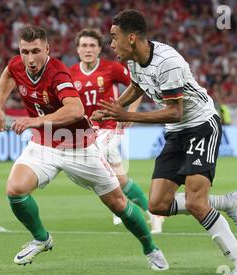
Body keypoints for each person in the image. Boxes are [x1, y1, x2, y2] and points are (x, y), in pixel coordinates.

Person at [96, 10, 237, 275]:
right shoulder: (134, 60)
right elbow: (138, 86)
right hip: (176, 132)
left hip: (201, 124)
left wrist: (126, 116)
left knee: (196, 202)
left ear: (132, 37)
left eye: (114, 37)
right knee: (157, 204)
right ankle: (227, 202)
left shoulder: (168, 62)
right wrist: (115, 107)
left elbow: (174, 111)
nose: (111, 44)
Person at [0, 25, 168, 270]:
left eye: (36, 51)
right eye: (25, 51)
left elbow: (76, 110)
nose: (30, 59)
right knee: (15, 189)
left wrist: (36, 120)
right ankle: (41, 239)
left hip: (80, 147)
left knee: (118, 203)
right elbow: (9, 73)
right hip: (44, 144)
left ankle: (150, 247)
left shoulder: (58, 73)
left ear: (47, 49)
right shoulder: (18, 64)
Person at [69, 28, 165, 231]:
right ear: (77, 50)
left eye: (92, 45)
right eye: (84, 45)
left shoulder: (111, 68)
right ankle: (152, 213)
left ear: (99, 49)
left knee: (95, 157)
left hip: (111, 126)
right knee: (120, 178)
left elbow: (138, 85)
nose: (88, 49)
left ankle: (119, 207)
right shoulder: (71, 74)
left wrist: (130, 112)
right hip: (88, 130)